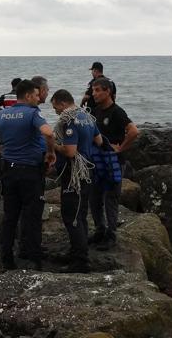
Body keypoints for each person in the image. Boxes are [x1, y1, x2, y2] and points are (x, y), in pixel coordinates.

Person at [0, 79, 56, 270]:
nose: (39, 98)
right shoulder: (32, 113)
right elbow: (49, 133)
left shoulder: (2, 114)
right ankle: (33, 258)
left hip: (8, 171)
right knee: (32, 215)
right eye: (36, 95)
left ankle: (7, 259)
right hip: (30, 171)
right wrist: (51, 153)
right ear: (28, 96)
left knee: (10, 216)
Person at [50, 89, 103, 273]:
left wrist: (53, 145)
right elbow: (100, 140)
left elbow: (70, 152)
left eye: (55, 107)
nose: (56, 112)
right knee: (81, 215)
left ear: (62, 103)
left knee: (71, 216)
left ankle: (80, 262)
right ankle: (78, 252)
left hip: (74, 174)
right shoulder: (87, 116)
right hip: (88, 172)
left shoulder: (70, 120)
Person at [89, 77, 138, 250]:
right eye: (93, 90)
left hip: (114, 162)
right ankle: (99, 230)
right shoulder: (94, 111)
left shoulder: (117, 111)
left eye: (97, 90)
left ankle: (111, 235)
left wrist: (121, 148)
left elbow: (133, 131)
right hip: (97, 161)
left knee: (111, 198)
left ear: (107, 91)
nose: (93, 94)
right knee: (94, 197)